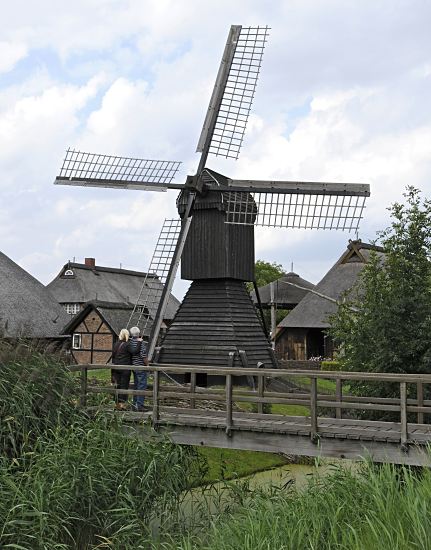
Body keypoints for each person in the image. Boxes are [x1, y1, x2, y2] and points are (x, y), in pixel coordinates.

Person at [127, 326, 149, 411]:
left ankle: (134, 404)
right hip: (140, 367)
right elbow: (143, 356)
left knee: (136, 385)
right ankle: (139, 405)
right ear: (139, 333)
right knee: (142, 386)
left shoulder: (130, 342)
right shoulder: (141, 343)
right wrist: (147, 365)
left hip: (134, 367)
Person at [111, 328, 132, 410]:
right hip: (125, 368)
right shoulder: (128, 345)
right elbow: (133, 353)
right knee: (124, 386)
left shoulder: (116, 344)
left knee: (117, 386)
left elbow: (113, 356)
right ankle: (122, 405)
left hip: (116, 368)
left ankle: (116, 405)